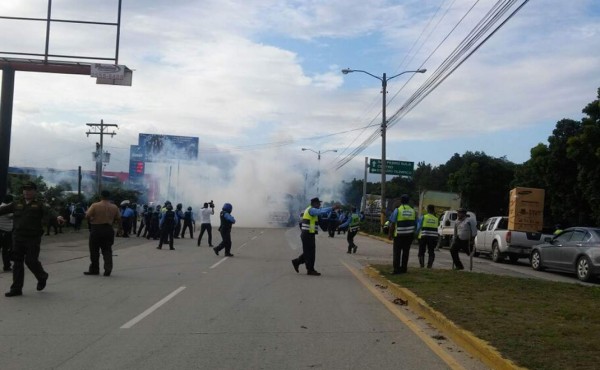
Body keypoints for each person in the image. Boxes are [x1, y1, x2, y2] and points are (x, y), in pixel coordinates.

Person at [0, 182, 58, 297]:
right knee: (17, 263)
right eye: (25, 189)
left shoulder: (40, 204)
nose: (26, 191)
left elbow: (50, 211)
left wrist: (58, 216)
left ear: (35, 191)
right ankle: (16, 289)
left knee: (31, 261)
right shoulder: (16, 203)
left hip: (32, 238)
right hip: (17, 237)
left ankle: (42, 276)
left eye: (29, 189)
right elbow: (3, 210)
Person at [291, 197, 336, 276]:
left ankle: (297, 262)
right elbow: (321, 211)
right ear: (314, 204)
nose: (319, 205)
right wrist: (332, 208)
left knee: (309, 252)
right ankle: (310, 270)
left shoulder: (312, 211)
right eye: (318, 203)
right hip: (307, 234)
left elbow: (320, 220)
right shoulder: (311, 210)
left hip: (309, 234)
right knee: (310, 253)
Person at [84, 190, 122, 276]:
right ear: (109, 196)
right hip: (108, 229)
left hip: (96, 229)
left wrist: (90, 221)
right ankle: (108, 269)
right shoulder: (114, 207)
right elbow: (119, 219)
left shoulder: (95, 205)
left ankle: (94, 269)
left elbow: (87, 215)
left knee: (94, 250)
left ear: (101, 196)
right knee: (107, 250)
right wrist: (120, 228)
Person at [387, 194, 416, 274]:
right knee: (406, 252)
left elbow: (392, 223)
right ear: (408, 201)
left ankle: (396, 269)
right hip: (409, 235)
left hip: (399, 235)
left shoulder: (398, 210)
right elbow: (415, 223)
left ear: (401, 201)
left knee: (397, 252)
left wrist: (390, 234)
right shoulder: (412, 211)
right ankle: (404, 269)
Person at [416, 204, 439, 268]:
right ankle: (429, 266)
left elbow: (419, 227)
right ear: (433, 210)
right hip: (433, 237)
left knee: (421, 251)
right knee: (431, 251)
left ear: (428, 209)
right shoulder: (436, 219)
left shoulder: (423, 217)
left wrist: (416, 233)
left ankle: (422, 265)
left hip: (424, 236)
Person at [0, 194, 14, 272]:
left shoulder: (4, 206)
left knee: (7, 249)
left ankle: (7, 265)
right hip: (4, 232)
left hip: (6, 232)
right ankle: (7, 266)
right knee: (6, 250)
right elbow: (11, 216)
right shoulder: (4, 208)